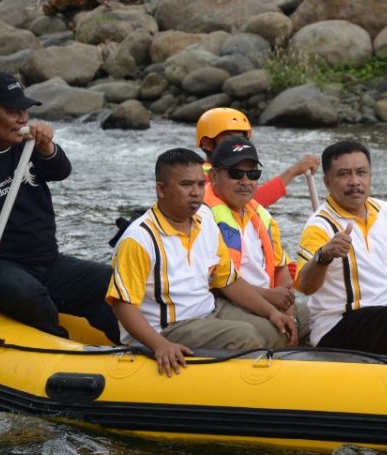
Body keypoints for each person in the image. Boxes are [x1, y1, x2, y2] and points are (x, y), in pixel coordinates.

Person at [0, 70, 118, 343]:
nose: (23, 118)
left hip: (47, 262)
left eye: (24, 110)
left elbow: (60, 171)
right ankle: (61, 349)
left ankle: (132, 343)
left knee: (109, 281)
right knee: (29, 294)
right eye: (12, 111)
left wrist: (47, 147)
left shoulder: (28, 146)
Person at [106, 148, 297, 375]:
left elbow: (227, 281)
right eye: (186, 185)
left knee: (274, 330)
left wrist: (271, 312)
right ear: (161, 189)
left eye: (199, 184)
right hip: (168, 327)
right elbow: (122, 303)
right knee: (245, 337)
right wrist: (160, 345)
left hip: (208, 311)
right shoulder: (139, 238)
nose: (196, 192)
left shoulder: (205, 219)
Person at [294, 140, 387, 356]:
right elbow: (305, 286)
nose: (355, 181)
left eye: (361, 172)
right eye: (344, 174)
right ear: (327, 182)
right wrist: (323, 256)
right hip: (340, 322)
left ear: (370, 176)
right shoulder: (319, 226)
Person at [205, 135, 310, 344]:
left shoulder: (262, 215)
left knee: (322, 319)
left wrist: (288, 311)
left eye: (252, 173)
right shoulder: (202, 215)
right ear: (214, 176)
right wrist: (267, 299)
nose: (245, 181)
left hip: (267, 298)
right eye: (236, 173)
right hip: (222, 301)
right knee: (277, 334)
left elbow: (281, 269)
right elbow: (214, 283)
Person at [195, 107, 319, 208]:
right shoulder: (197, 177)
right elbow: (254, 200)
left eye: (242, 139)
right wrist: (293, 171)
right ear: (207, 144)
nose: (238, 145)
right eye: (229, 138)